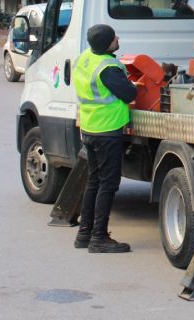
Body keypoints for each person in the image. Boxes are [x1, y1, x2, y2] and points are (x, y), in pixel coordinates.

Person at [73, 24, 137, 253]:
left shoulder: (85, 58)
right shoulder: (108, 68)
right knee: (108, 185)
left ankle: (84, 235)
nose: (117, 38)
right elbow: (129, 94)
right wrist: (132, 84)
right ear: (107, 43)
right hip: (107, 130)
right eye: (113, 37)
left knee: (94, 182)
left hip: (89, 127)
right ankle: (99, 238)